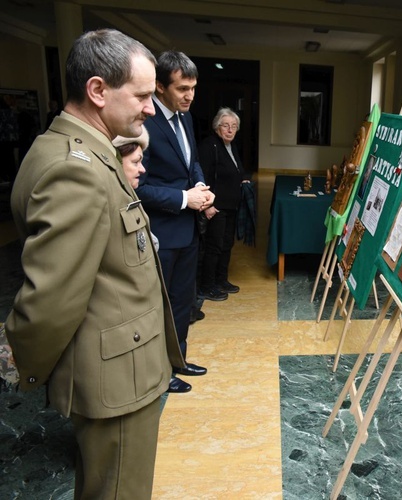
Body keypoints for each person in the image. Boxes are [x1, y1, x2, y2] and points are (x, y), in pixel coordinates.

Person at [4, 29, 184, 499]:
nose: (150, 108)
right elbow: (52, 296)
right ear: (98, 90)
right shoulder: (76, 169)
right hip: (115, 381)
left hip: (118, 367)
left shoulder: (82, 152)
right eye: (143, 95)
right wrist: (22, 364)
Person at [136, 51, 213, 393]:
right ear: (159, 87)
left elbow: (191, 162)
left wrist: (199, 186)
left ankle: (178, 360)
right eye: (182, 88)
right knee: (157, 308)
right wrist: (184, 199)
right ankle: (158, 373)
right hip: (159, 234)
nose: (190, 95)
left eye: (193, 88)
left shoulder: (186, 118)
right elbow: (137, 185)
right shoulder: (144, 123)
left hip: (187, 232)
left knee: (183, 301)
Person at [198, 107, 249, 300]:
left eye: (234, 126)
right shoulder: (209, 146)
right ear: (217, 127)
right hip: (216, 206)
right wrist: (208, 205)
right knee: (214, 246)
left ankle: (221, 280)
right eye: (225, 125)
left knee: (227, 244)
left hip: (231, 205)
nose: (230, 130)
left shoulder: (231, 146)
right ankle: (207, 286)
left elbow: (238, 169)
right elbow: (202, 177)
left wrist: (243, 178)